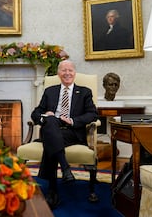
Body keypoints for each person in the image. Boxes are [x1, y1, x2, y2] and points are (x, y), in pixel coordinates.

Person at [31, 60, 98, 209]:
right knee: (51, 122)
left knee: (51, 140)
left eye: (70, 70)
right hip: (51, 127)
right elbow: (35, 113)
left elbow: (93, 114)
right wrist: (44, 116)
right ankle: (65, 168)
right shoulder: (50, 91)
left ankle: (52, 190)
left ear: (74, 73)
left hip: (72, 131)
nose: (67, 73)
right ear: (58, 74)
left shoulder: (85, 92)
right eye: (63, 70)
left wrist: (73, 120)